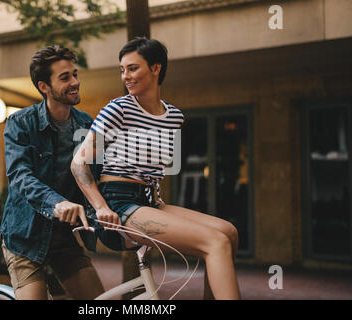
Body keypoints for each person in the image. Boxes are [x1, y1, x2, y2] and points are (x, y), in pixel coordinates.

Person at [71, 38, 241, 300]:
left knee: (228, 233)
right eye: (122, 70)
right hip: (118, 206)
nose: (125, 76)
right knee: (215, 242)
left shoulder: (174, 117)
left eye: (132, 68)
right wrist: (101, 207)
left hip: (152, 201)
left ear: (155, 68)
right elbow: (78, 161)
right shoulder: (119, 109)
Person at [0, 45, 104, 300]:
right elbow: (20, 176)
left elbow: (98, 175)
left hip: (65, 240)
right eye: (65, 77)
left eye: (75, 74)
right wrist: (57, 204)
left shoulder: (85, 124)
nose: (75, 82)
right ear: (44, 86)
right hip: (25, 238)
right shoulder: (20, 123)